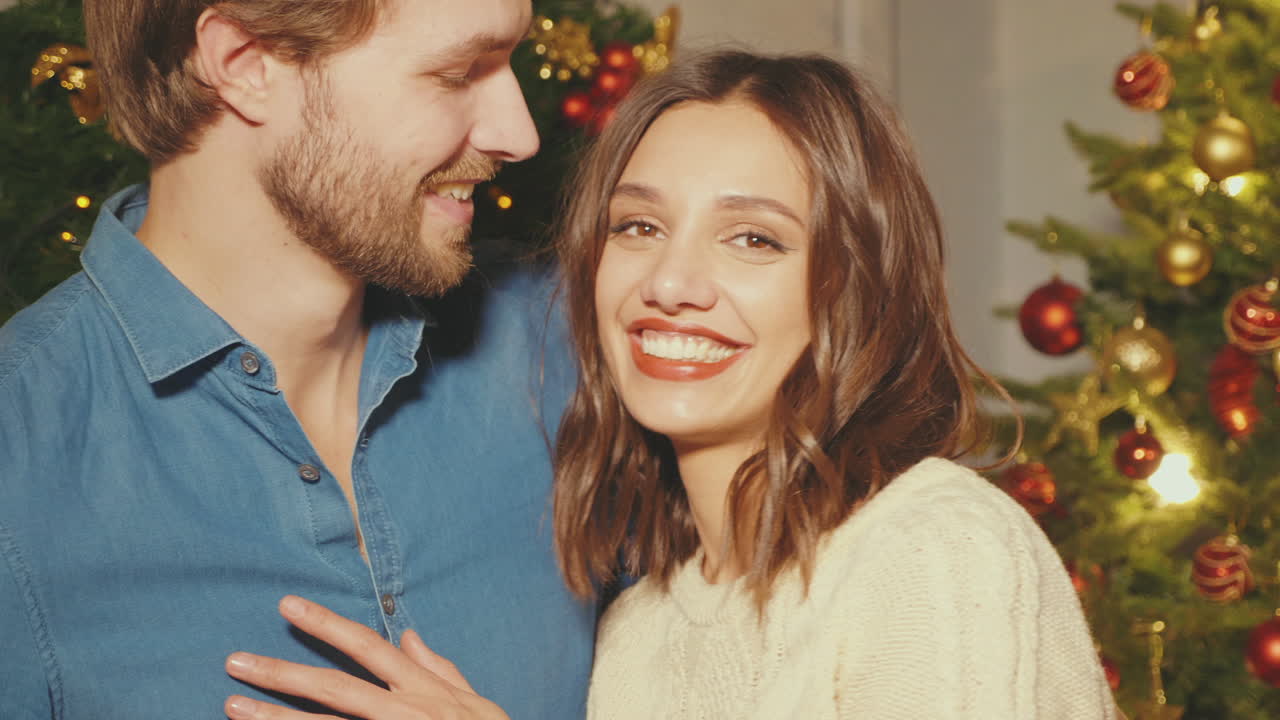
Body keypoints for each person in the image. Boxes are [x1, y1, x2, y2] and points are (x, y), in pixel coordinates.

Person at [218, 49, 1119, 719]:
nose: (671, 283)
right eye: (639, 227)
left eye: (754, 238)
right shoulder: (639, 630)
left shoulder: (931, 547)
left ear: (852, 287)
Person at [0, 1, 593, 718]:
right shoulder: (20, 467)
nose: (520, 134)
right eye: (459, 72)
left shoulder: (568, 346)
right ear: (245, 63)